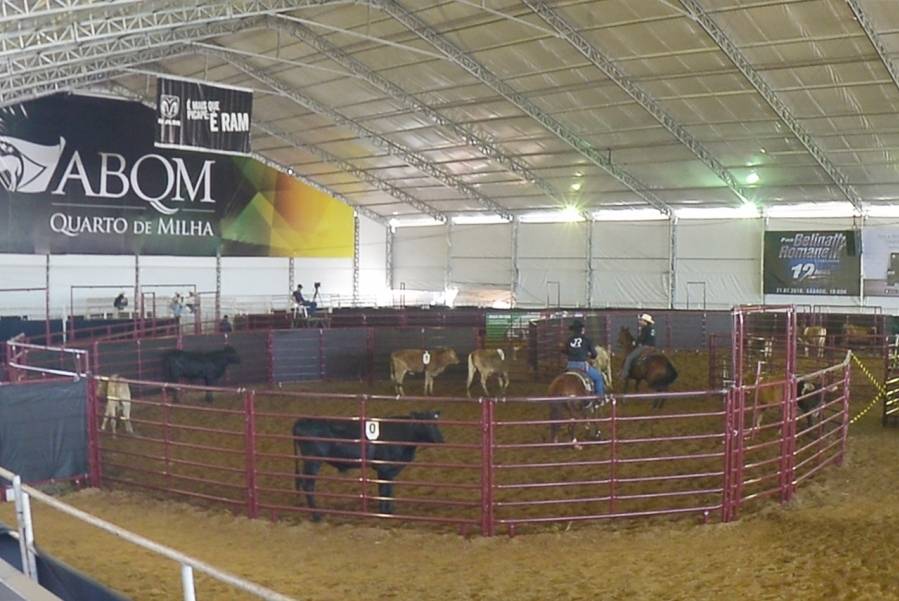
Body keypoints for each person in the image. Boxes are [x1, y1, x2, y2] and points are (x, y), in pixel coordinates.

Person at [562, 319, 605, 395]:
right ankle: (600, 397)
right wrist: (589, 355)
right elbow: (594, 354)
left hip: (570, 366)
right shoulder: (586, 340)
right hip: (582, 366)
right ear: (582, 329)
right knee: (598, 378)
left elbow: (564, 351)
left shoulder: (568, 340)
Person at [621, 313, 656, 380]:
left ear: (645, 322)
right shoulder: (651, 328)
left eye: (641, 320)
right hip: (652, 347)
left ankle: (624, 374)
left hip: (645, 347)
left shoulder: (645, 329)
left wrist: (635, 343)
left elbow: (641, 339)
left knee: (629, 358)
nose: (640, 322)